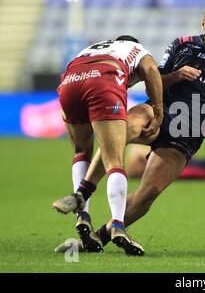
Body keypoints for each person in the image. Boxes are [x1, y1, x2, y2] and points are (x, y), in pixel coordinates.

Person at [53, 1, 205, 254]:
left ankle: (98, 237)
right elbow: (152, 82)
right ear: (204, 24)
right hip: (158, 110)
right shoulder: (182, 45)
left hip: (188, 132)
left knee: (148, 194)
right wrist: (176, 75)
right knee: (119, 135)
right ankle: (81, 193)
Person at [52, 35, 164, 256]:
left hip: (70, 81)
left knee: (81, 151)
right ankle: (118, 226)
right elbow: (152, 71)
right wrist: (158, 111)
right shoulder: (136, 48)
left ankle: (83, 216)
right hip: (104, 78)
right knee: (114, 159)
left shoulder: (93, 47)